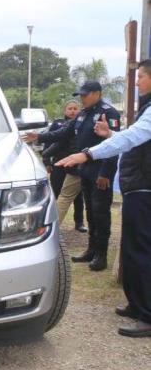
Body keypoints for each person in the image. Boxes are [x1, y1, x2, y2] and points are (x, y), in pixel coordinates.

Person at [57, 59, 151, 337]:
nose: (137, 81)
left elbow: (134, 138)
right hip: (136, 187)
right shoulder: (144, 108)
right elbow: (132, 138)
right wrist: (110, 134)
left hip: (144, 188)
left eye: (142, 76)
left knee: (142, 249)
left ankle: (147, 313)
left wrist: (88, 153)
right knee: (132, 248)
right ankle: (137, 304)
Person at [23, 81, 121, 270]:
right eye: (81, 95)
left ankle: (101, 255)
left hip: (100, 172)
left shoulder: (108, 113)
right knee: (91, 212)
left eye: (85, 95)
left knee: (101, 213)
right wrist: (39, 137)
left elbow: (115, 145)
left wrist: (106, 173)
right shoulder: (83, 114)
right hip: (84, 171)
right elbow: (64, 133)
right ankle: (91, 250)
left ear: (97, 94)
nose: (82, 98)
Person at [42, 100, 87, 232]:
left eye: (75, 108)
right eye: (70, 108)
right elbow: (49, 141)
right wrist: (47, 161)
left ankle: (79, 222)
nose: (72, 111)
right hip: (58, 163)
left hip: (75, 164)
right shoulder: (58, 124)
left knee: (78, 196)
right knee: (56, 192)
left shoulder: (81, 124)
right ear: (65, 111)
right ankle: (53, 221)